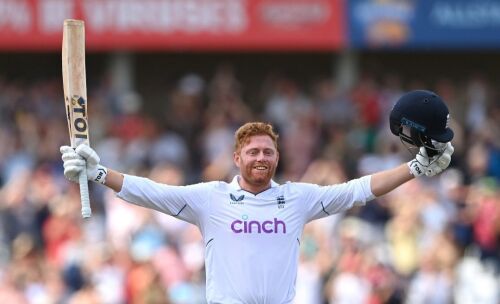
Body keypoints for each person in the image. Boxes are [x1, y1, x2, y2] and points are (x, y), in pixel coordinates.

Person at [60, 91, 455, 303]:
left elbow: (358, 190)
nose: (261, 158)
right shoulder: (210, 199)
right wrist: (97, 172)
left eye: (268, 151)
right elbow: (149, 192)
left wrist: (414, 170)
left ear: (277, 157)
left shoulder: (298, 199)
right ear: (237, 158)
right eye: (253, 152)